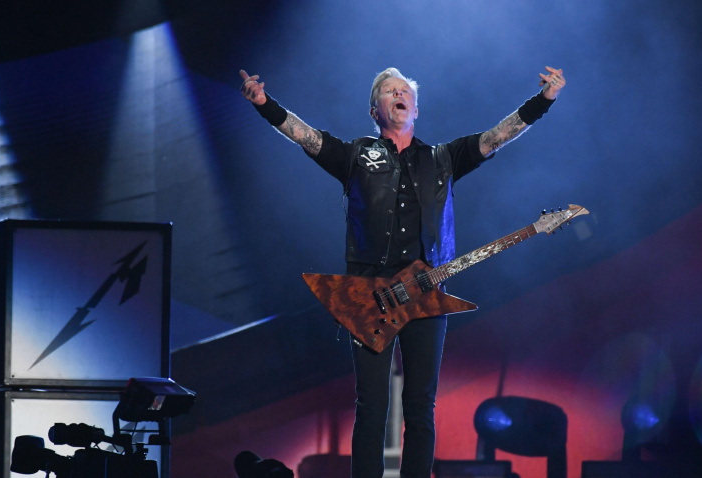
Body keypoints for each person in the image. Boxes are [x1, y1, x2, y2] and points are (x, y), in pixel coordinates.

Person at [239, 65, 565, 478]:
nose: (398, 94)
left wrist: (543, 101)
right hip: (369, 291)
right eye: (388, 91)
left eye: (404, 91)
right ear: (375, 110)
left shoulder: (443, 158)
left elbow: (496, 136)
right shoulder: (357, 155)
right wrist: (265, 105)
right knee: (371, 404)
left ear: (415, 109)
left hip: (427, 291)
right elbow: (308, 137)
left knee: (420, 405)